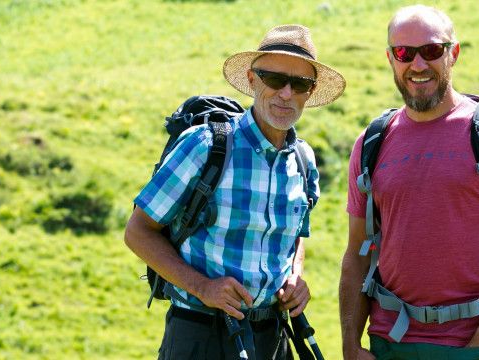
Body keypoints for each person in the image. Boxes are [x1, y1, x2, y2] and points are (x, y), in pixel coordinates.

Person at [124, 24, 345, 359]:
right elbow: (138, 232)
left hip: (273, 337)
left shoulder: (303, 160)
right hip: (199, 333)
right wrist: (204, 287)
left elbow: (297, 236)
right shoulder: (205, 146)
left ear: (310, 93)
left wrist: (295, 278)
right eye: (274, 78)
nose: (286, 93)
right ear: (252, 79)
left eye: (299, 84)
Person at [339, 5, 479, 360]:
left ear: (454, 53)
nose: (418, 65)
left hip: (472, 346)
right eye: (405, 53)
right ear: (391, 59)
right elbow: (357, 252)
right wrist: (350, 346)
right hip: (389, 343)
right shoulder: (371, 142)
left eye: (432, 51)